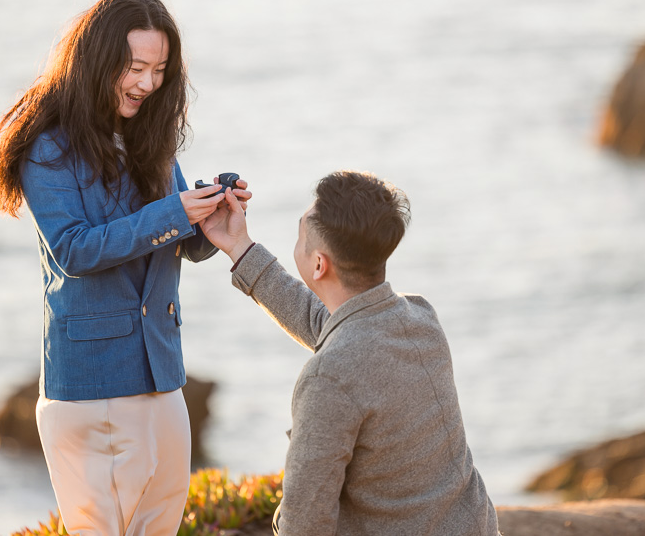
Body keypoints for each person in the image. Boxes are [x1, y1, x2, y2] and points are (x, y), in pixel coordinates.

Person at [0, 0, 250, 536]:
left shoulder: (152, 137)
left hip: (161, 373)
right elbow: (75, 248)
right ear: (98, 61)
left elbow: (170, 241)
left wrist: (209, 222)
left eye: (159, 69)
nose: (148, 84)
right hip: (89, 384)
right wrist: (173, 212)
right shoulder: (46, 147)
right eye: (135, 68)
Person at [199, 171, 500, 536]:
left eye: (300, 235)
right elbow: (329, 325)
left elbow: (305, 524)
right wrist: (238, 246)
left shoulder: (329, 377)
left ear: (319, 265)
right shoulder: (420, 317)